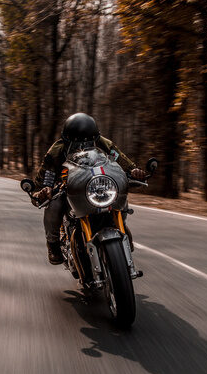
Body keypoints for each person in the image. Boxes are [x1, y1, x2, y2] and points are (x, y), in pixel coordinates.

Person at [32, 113, 146, 264]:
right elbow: (43, 181)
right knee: (54, 203)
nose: (82, 148)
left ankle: (122, 226)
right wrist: (43, 191)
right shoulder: (55, 152)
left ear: (95, 138)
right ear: (66, 141)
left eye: (88, 143)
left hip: (95, 184)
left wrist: (134, 171)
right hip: (69, 187)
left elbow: (121, 159)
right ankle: (53, 244)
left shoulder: (103, 143)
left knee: (117, 191)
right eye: (76, 145)